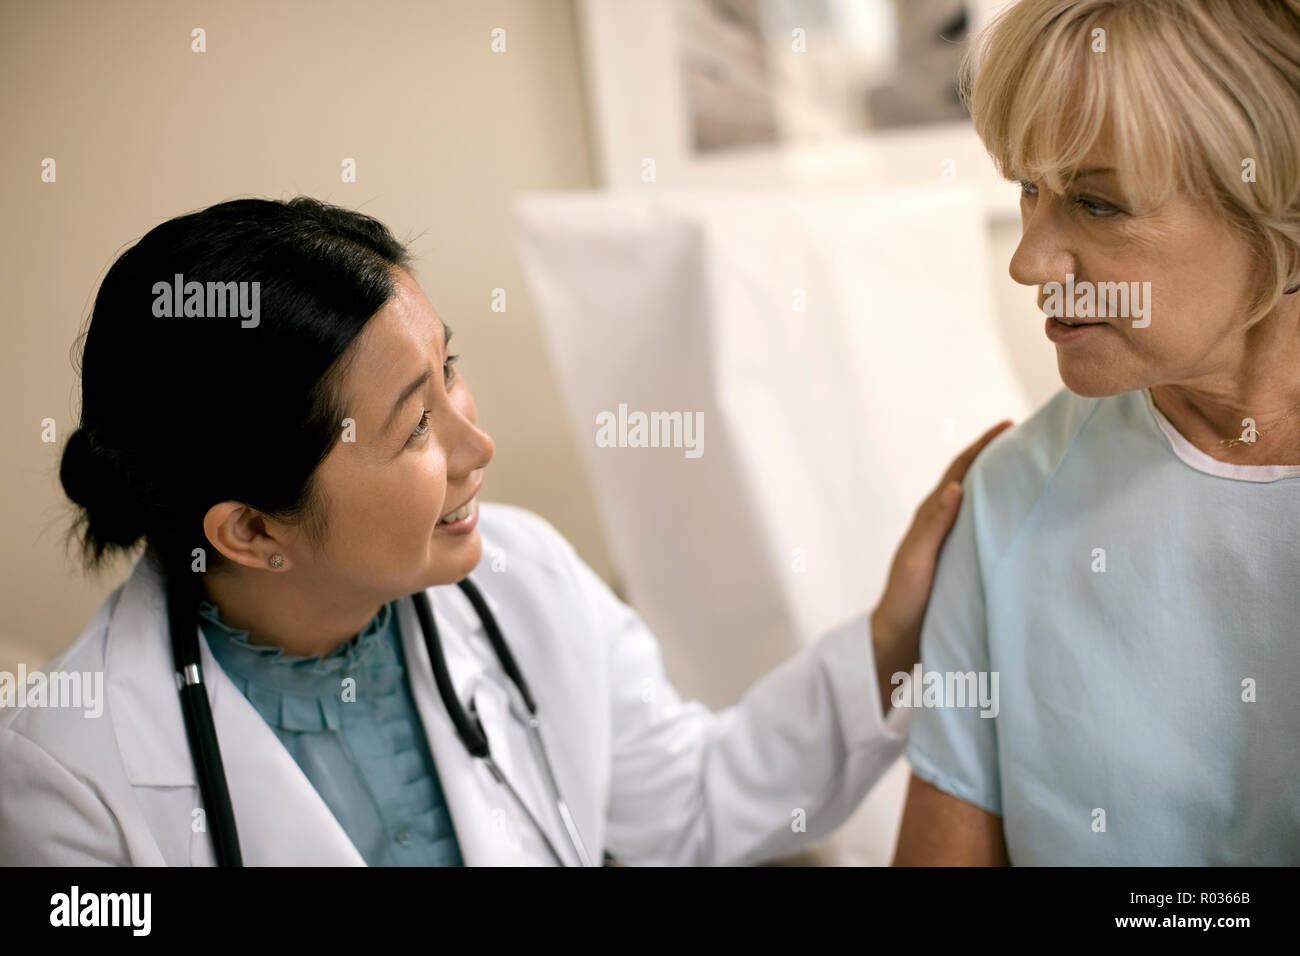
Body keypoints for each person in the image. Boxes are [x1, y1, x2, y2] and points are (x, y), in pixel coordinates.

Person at [0, 196, 1006, 866]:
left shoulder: (517, 573)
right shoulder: (68, 771)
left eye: (451, 367)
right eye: (414, 427)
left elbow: (691, 801)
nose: (477, 441)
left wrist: (892, 635)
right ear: (255, 528)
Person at [894, 0, 1300, 865]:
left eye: (1097, 203)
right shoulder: (1007, 501)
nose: (1028, 262)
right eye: (1028, 190)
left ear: (1283, 204)